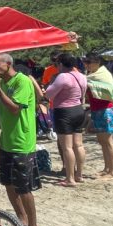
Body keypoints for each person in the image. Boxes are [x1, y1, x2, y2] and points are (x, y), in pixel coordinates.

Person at [0, 53, 42, 226]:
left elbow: (15, 108)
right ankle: (21, 222)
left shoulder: (22, 81)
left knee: (24, 188)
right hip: (6, 141)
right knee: (9, 184)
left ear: (8, 64)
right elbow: (2, 112)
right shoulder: (2, 83)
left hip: (22, 142)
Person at [44, 53, 88, 187]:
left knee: (67, 147)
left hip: (64, 112)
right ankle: (79, 175)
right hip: (79, 110)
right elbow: (83, 94)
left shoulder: (62, 76)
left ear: (61, 64)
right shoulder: (81, 76)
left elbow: (48, 95)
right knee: (78, 145)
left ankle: (70, 178)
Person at [83, 53, 113, 179]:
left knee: (108, 141)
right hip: (96, 110)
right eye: (86, 62)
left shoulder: (103, 75)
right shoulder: (90, 76)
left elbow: (112, 91)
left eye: (89, 62)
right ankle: (106, 168)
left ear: (97, 63)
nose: (87, 65)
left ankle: (112, 172)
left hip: (106, 110)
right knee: (102, 141)